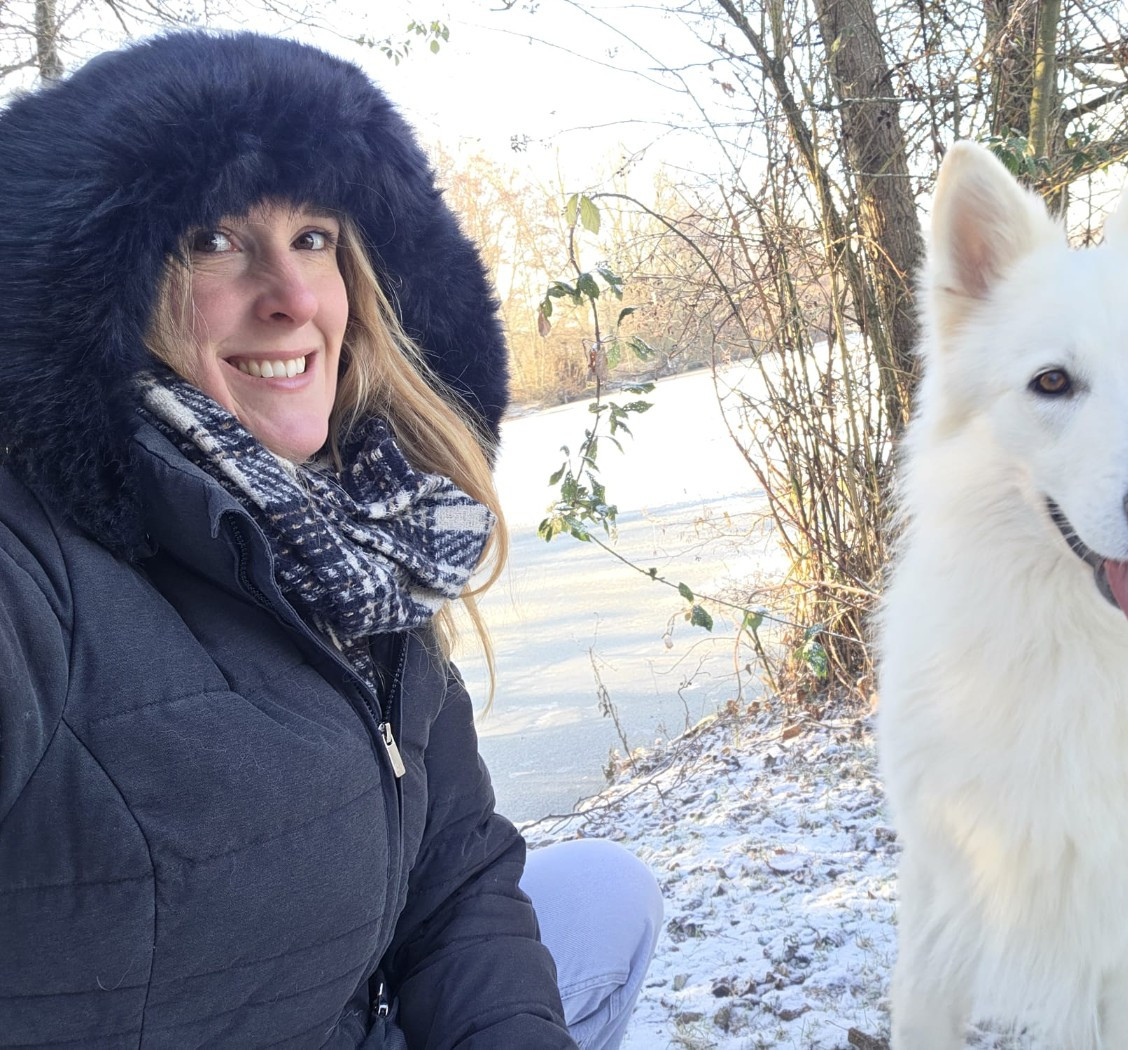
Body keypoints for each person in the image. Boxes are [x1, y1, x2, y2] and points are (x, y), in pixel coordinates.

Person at [0, 30, 662, 1050]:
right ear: (100, 295)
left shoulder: (359, 532)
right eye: (212, 242)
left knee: (605, 896)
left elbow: (455, 886)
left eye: (313, 237)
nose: (293, 298)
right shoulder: (32, 544)